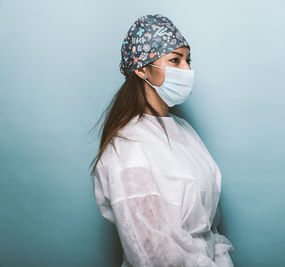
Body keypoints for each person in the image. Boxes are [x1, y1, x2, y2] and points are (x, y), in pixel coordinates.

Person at [90, 14, 234, 266]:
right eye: (175, 60)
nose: (187, 70)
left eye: (188, 61)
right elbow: (151, 251)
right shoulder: (128, 146)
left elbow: (211, 226)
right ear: (142, 68)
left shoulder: (185, 130)